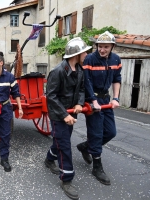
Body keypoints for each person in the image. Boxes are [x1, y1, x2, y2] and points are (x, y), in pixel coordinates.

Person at [45, 37, 91, 200]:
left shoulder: (80, 70)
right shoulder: (57, 71)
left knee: (60, 141)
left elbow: (82, 90)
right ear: (76, 54)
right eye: (84, 51)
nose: (86, 54)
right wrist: (64, 115)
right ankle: (67, 179)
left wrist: (79, 104)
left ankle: (49, 159)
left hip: (71, 114)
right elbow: (50, 96)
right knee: (64, 145)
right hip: (59, 115)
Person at [77, 31, 122, 186]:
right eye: (100, 46)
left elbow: (117, 79)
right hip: (92, 99)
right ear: (96, 46)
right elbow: (87, 81)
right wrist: (93, 100)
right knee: (96, 133)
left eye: (106, 47)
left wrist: (116, 98)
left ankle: (85, 146)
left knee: (110, 132)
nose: (102, 50)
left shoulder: (116, 59)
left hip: (106, 99)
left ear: (112, 46)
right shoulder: (90, 59)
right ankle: (97, 167)